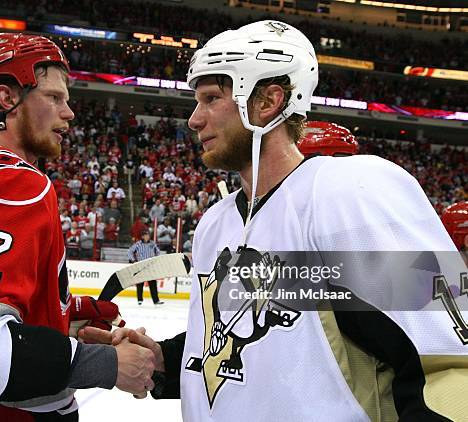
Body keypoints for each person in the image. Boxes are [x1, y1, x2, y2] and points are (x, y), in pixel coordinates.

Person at [81, 20, 467, 421]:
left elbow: (445, 361)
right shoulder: (217, 222)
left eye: (212, 98)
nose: (194, 119)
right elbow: (266, 345)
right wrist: (164, 358)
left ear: (267, 102)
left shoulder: (344, 193)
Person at [0, 33, 155, 421]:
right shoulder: (19, 184)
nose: (69, 112)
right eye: (54, 97)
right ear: (7, 98)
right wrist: (106, 364)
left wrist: (69, 318)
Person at [127, 230, 163, 305]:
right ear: (142, 236)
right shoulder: (138, 244)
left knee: (153, 283)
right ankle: (140, 300)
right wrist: (133, 260)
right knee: (140, 283)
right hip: (141, 265)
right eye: (145, 235)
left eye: (148, 235)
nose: (147, 237)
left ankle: (156, 300)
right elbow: (130, 251)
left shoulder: (152, 244)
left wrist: (156, 259)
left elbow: (158, 252)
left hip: (150, 266)